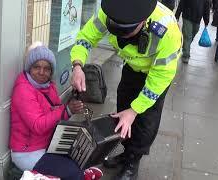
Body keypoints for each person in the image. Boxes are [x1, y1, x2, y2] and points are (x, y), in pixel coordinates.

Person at [70, 0, 182, 179]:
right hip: (131, 69)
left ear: (142, 21)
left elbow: (161, 76)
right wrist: (77, 65)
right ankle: (126, 153)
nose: (122, 37)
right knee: (123, 112)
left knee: (145, 122)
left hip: (155, 76)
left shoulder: (167, 31)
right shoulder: (108, 12)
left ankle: (133, 161)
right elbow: (86, 37)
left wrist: (135, 109)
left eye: (127, 32)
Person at [9, 42, 103, 180]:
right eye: (37, 67)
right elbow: (38, 126)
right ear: (29, 68)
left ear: (51, 71)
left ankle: (79, 173)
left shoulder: (48, 85)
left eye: (46, 69)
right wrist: (65, 109)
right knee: (73, 173)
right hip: (27, 152)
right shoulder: (23, 90)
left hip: (47, 143)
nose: (41, 72)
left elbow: (57, 111)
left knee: (82, 154)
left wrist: (70, 110)